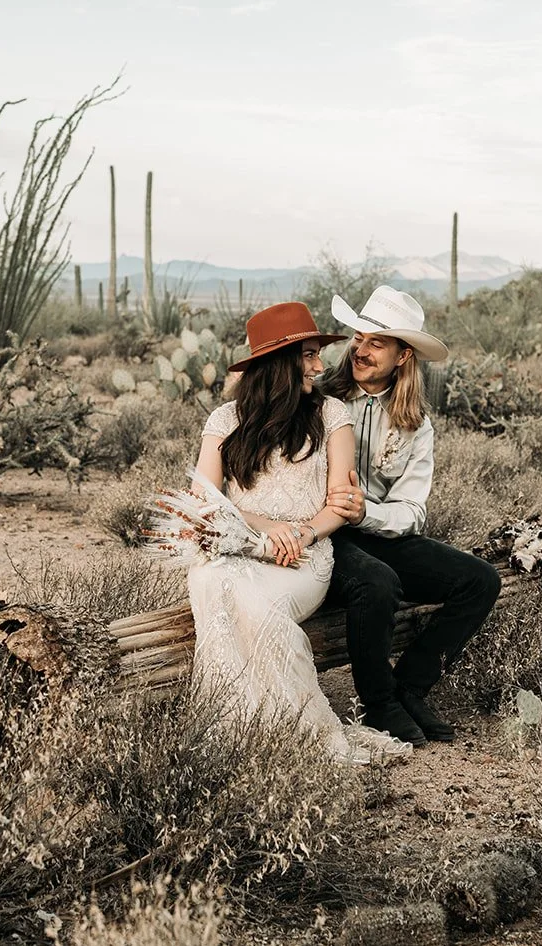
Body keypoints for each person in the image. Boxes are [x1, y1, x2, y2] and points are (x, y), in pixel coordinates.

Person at [184, 301, 412, 766]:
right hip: (242, 547)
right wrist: (265, 527)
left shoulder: (331, 415)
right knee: (211, 579)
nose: (319, 364)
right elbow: (202, 502)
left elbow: (340, 505)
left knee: (251, 599)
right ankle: (236, 728)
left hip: (303, 558)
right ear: (279, 364)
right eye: (308, 355)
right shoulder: (225, 421)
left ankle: (289, 733)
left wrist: (304, 533)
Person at [321, 286, 502, 746]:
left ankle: (411, 686)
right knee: (377, 582)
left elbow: (411, 509)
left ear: (403, 356)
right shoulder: (321, 399)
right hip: (324, 532)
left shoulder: (416, 424)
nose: (360, 350)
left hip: (377, 528)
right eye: (359, 338)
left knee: (480, 581)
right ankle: (377, 702)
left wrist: (368, 514)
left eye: (376, 343)